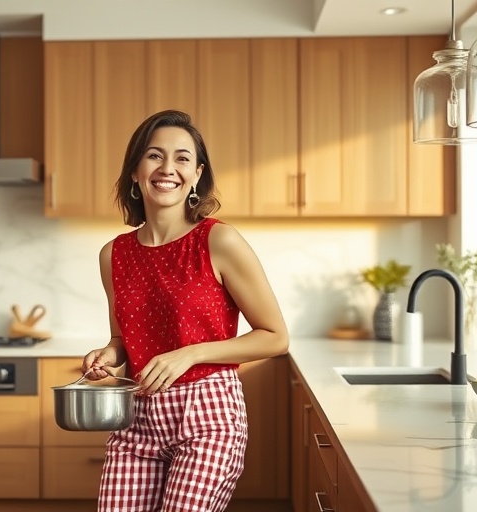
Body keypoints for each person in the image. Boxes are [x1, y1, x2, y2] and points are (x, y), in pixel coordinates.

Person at [81, 109, 289, 512]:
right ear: (135, 172)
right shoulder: (114, 254)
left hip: (208, 416)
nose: (168, 168)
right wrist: (108, 355)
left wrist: (192, 352)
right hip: (139, 416)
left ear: (196, 175)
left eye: (182, 158)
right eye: (155, 156)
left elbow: (276, 336)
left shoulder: (219, 241)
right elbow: (123, 339)